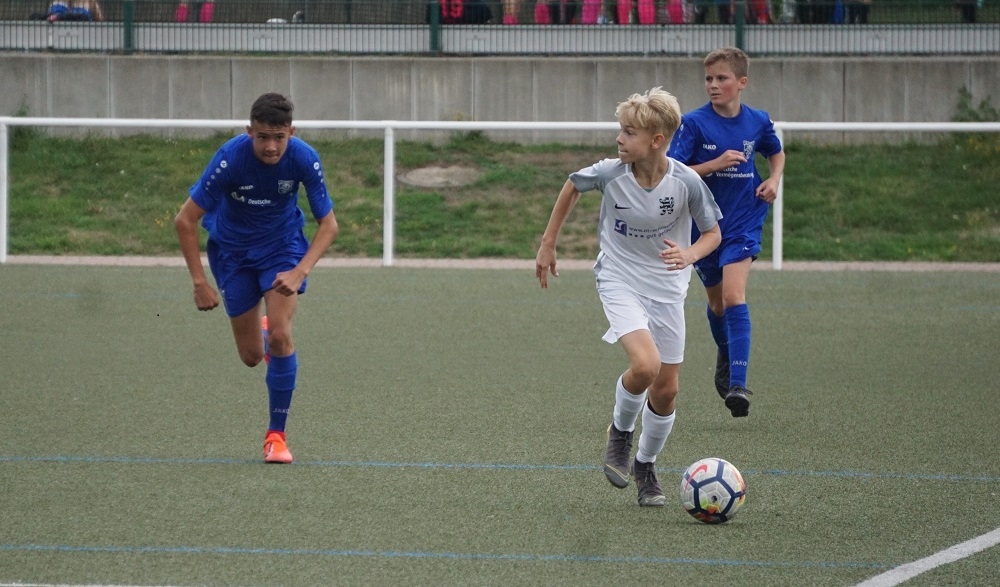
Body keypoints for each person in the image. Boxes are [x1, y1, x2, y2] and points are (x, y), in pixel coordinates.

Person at [535, 88, 722, 507]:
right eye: (620, 130)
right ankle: (620, 432)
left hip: (667, 288)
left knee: (666, 391)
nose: (619, 139)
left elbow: (713, 233)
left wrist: (690, 254)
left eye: (629, 132)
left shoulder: (685, 182)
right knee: (646, 365)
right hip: (619, 279)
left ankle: (645, 465)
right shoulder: (610, 172)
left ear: (656, 140)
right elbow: (572, 185)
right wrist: (548, 243)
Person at [174, 93, 339, 464]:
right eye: (263, 137)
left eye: (279, 137)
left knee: (281, 335)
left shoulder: (304, 158)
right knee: (250, 356)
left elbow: (329, 225)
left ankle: (276, 437)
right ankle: (263, 333)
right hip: (233, 254)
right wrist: (199, 282)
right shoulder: (230, 158)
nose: (271, 146)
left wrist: (300, 270)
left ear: (292, 132)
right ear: (249, 131)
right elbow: (185, 220)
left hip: (282, 250)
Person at [667, 47, 785, 418]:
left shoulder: (758, 120)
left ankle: (738, 384)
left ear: (742, 82)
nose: (713, 85)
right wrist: (715, 164)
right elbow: (672, 172)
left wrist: (774, 179)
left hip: (744, 219)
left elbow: (776, 151)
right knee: (718, 305)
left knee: (734, 296)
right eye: (709, 79)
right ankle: (727, 351)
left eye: (722, 78)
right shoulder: (693, 123)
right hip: (704, 226)